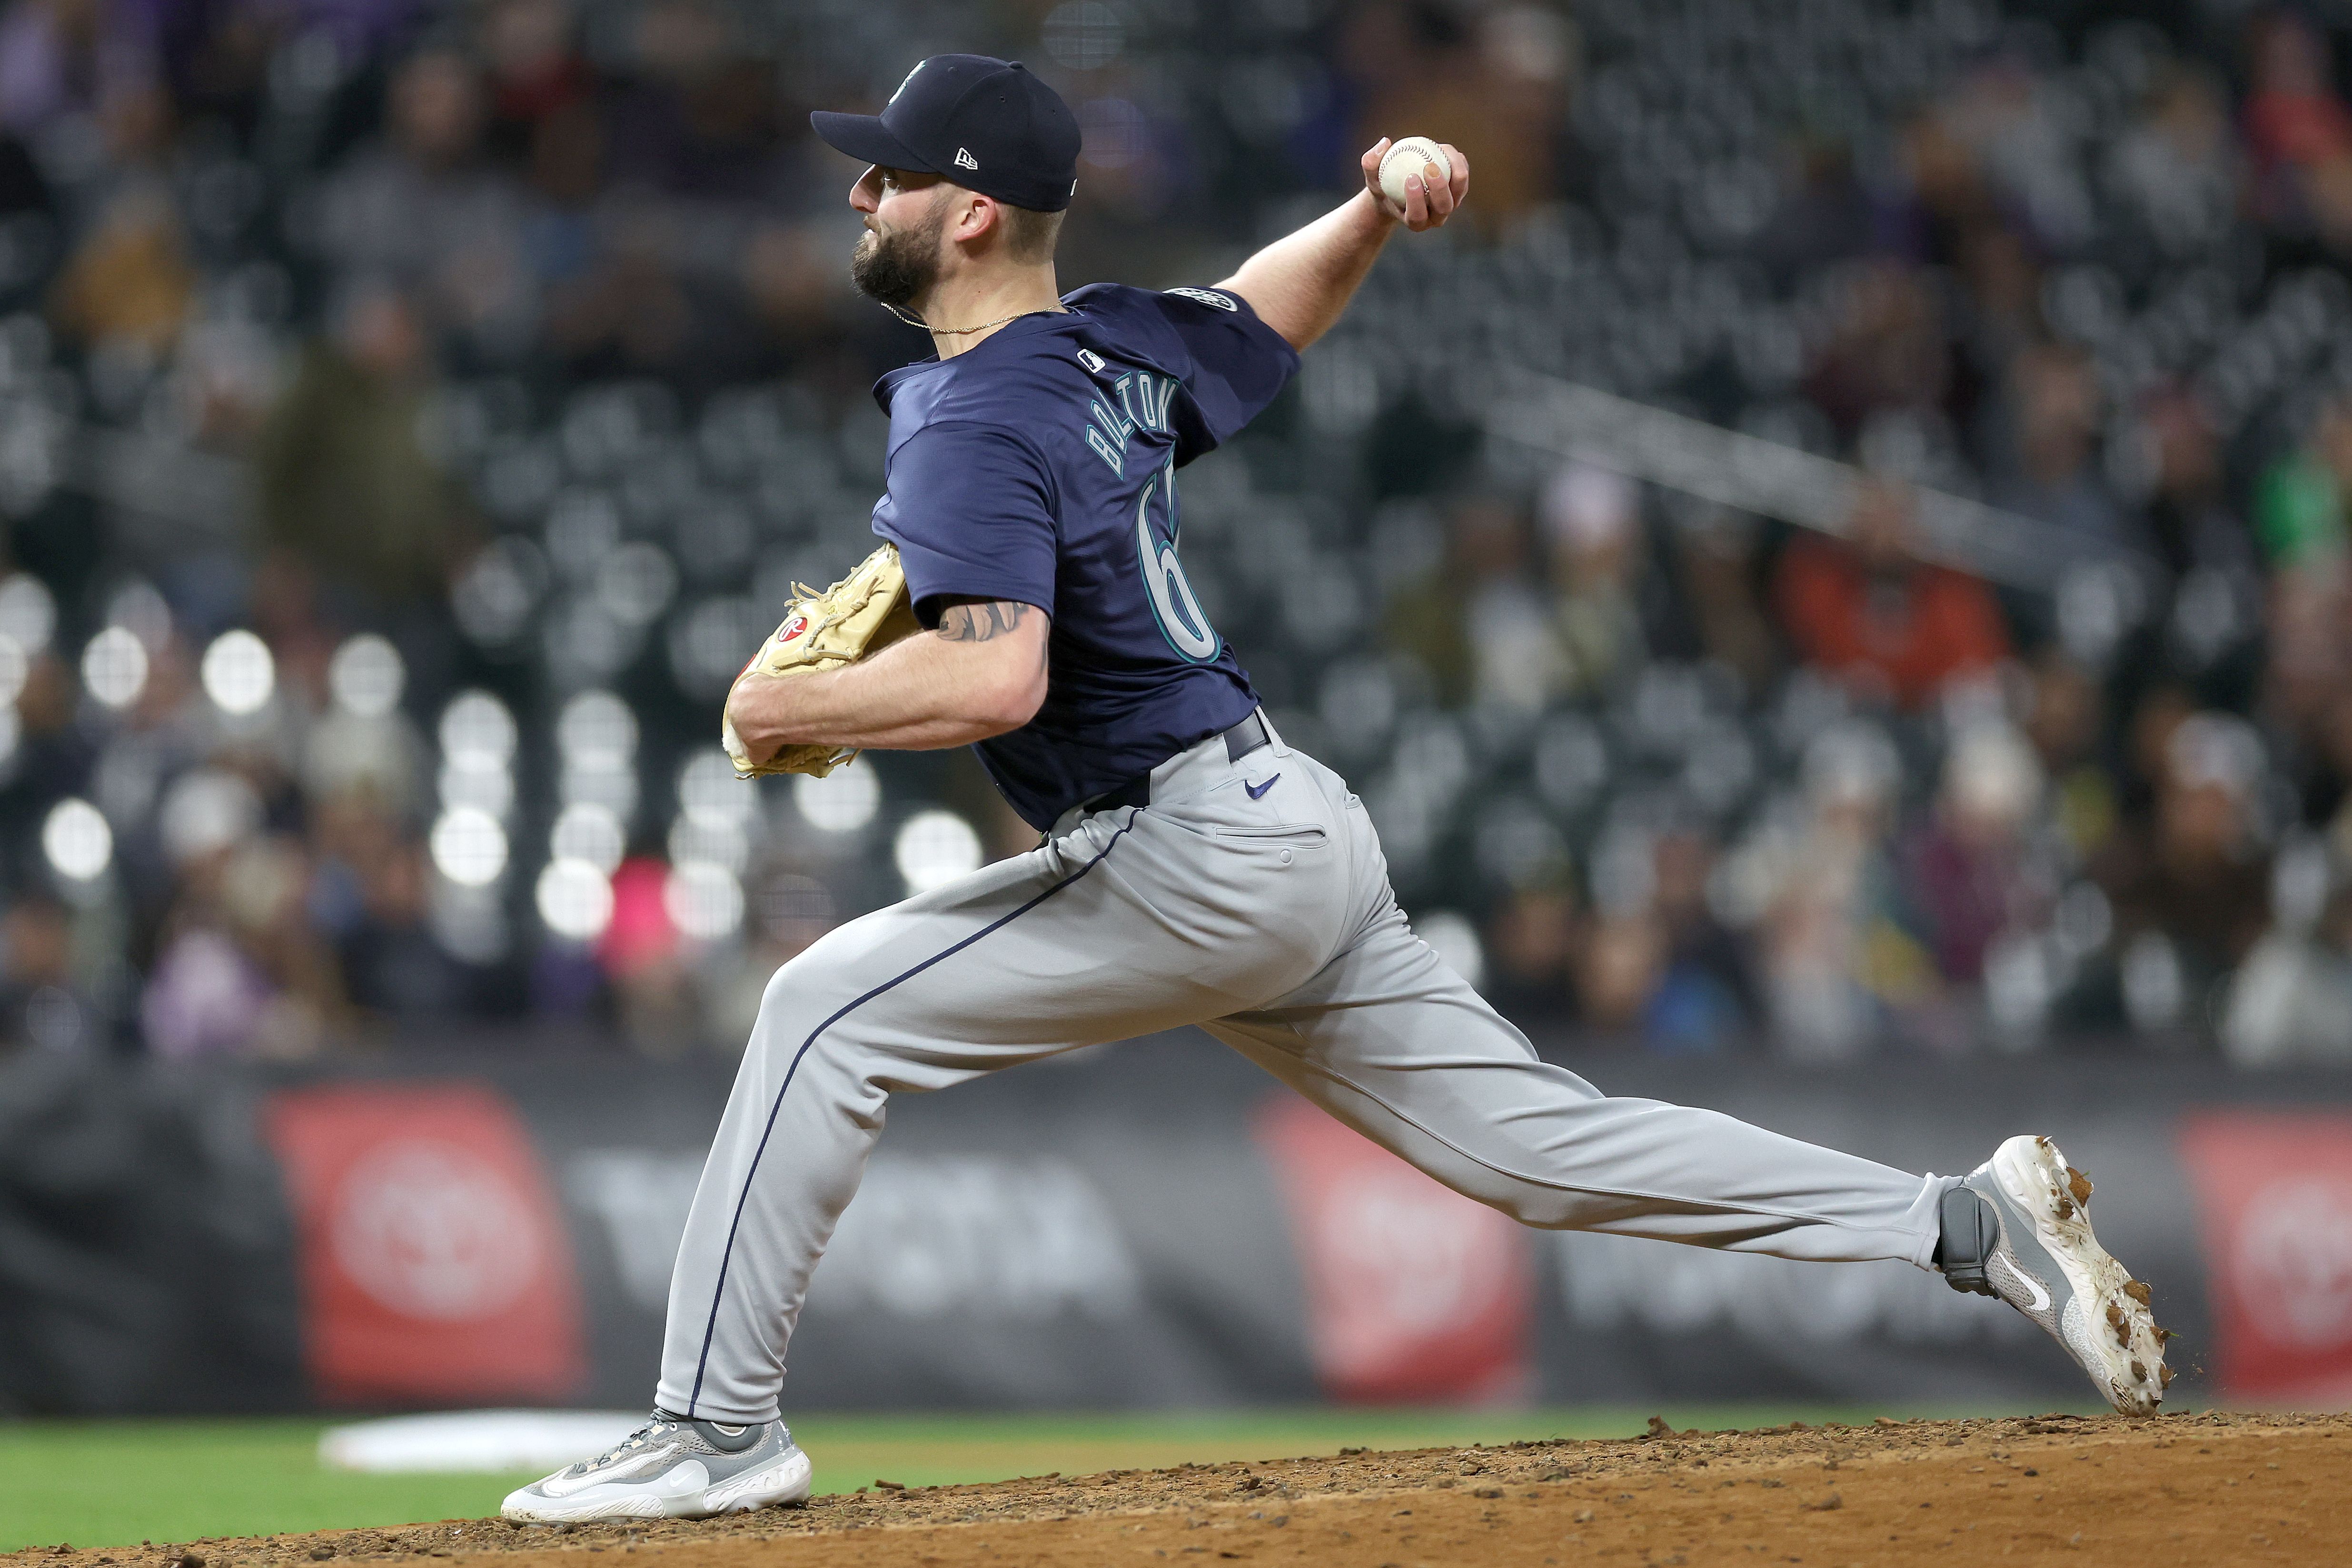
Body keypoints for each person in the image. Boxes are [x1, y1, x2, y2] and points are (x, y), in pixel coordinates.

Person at [502, 55, 2168, 1526]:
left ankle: (712, 1434)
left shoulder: (969, 411)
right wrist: (1371, 204)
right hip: (1285, 822)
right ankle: (1961, 1223)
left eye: (893, 170)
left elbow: (997, 678)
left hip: (1182, 850)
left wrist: (800, 699)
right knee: (1537, 1145)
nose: (861, 189)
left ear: (978, 215)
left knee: (817, 1011)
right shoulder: (1101, 353)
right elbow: (1262, 312)